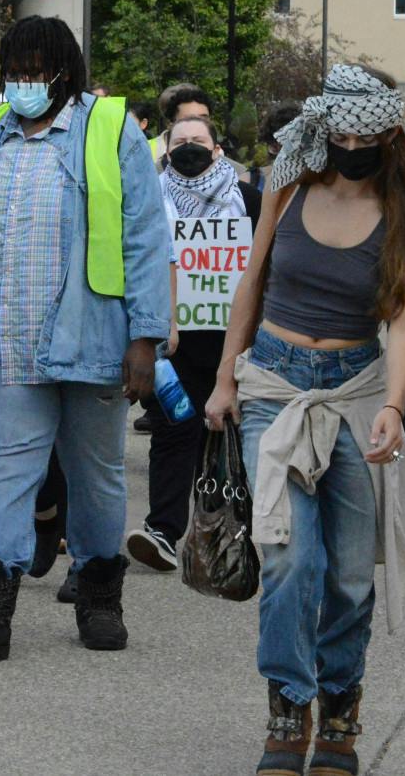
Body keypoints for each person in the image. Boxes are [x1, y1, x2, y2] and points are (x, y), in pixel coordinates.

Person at [204, 63, 405, 776]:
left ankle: (339, 708)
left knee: (346, 575)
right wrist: (224, 379)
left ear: (389, 133)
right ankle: (288, 704)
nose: (351, 143)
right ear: (323, 127)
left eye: (365, 133)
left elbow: (404, 322)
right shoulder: (287, 182)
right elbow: (253, 278)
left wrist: (394, 407)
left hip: (357, 391)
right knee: (289, 555)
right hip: (274, 383)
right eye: (339, 131)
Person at [0, 16, 168, 667]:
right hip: (2, 341)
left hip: (94, 343)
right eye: (14, 70)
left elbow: (146, 237)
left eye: (35, 70)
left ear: (65, 71)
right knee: (5, 468)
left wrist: (146, 338)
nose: (23, 82)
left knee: (96, 479)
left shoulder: (110, 130)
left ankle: (98, 596)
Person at [127, 113, 248, 572]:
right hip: (171, 341)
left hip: (231, 341)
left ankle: (229, 534)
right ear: (165, 150)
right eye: (180, 141)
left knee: (229, 434)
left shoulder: (248, 201)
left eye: (199, 140)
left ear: (218, 150)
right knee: (173, 428)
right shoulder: (147, 204)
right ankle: (163, 530)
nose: (189, 147)